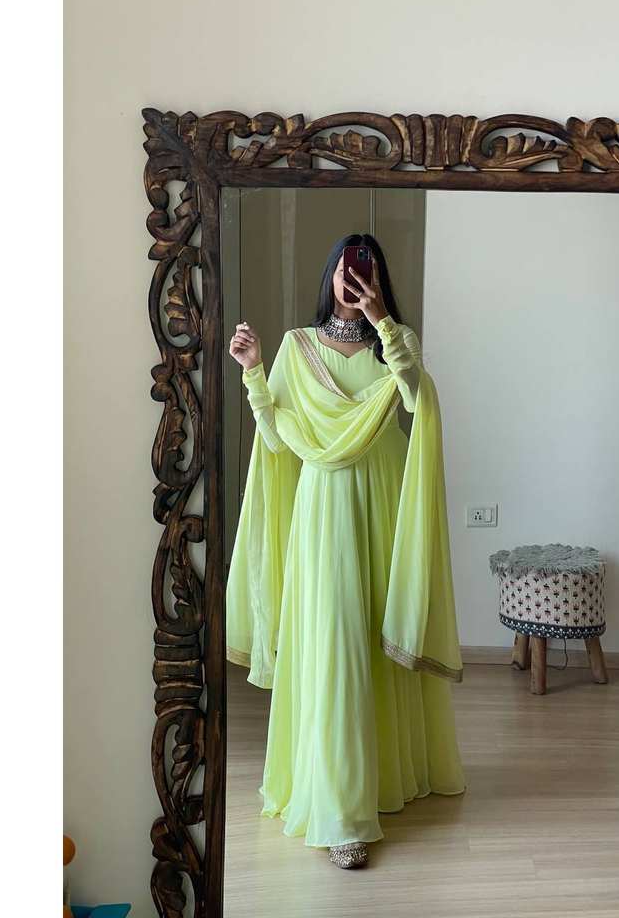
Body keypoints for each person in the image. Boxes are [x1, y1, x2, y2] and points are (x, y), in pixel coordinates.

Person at [226, 233, 466, 869]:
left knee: (374, 637)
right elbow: (276, 438)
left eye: (367, 267)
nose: (352, 276)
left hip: (383, 502)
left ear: (378, 278)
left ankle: (383, 781)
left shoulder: (397, 342)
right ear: (330, 274)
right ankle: (340, 811)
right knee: (334, 640)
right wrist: (253, 370)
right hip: (324, 507)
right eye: (344, 266)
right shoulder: (296, 347)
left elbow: (415, 397)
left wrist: (382, 320)